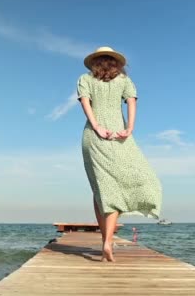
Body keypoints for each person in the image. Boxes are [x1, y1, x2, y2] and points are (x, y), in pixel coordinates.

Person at [76, 46, 163, 263]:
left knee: (100, 189)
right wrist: (130, 128)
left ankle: (105, 241)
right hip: (119, 135)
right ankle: (108, 241)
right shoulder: (124, 80)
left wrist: (96, 126)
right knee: (122, 183)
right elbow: (132, 102)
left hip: (93, 136)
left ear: (95, 62)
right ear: (116, 63)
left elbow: (85, 103)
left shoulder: (85, 79)